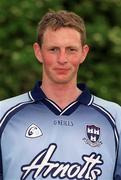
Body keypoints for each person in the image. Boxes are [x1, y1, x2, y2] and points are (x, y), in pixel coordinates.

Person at [0, 10, 121, 180]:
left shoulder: (115, 117)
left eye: (71, 49)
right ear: (38, 52)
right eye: (53, 49)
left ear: (83, 53)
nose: (62, 59)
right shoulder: (3, 114)